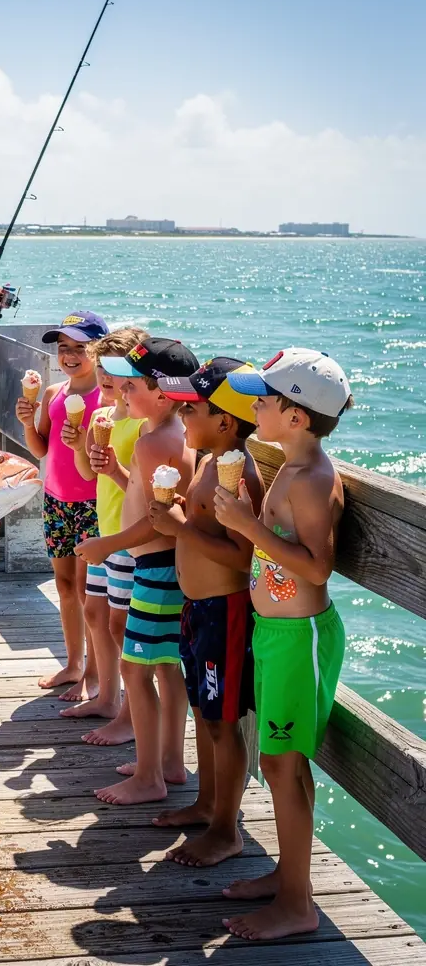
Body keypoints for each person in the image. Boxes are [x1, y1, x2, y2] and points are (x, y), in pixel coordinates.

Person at [214, 349, 351, 941]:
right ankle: (287, 876)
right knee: (277, 764)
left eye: (265, 399)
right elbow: (280, 549)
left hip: (301, 638)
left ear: (297, 417)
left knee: (285, 766)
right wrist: (252, 520)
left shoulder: (315, 480)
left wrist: (250, 529)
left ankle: (298, 904)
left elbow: (318, 568)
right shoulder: (287, 467)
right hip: (275, 632)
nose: (255, 406)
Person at [148, 358, 265, 867]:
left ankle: (227, 829)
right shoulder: (212, 461)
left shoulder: (237, 472)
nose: (182, 415)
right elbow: (205, 526)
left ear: (225, 422)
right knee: (204, 712)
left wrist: (179, 529)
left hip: (225, 611)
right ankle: (206, 802)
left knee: (223, 722)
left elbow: (243, 557)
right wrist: (182, 510)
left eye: (192, 408)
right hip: (198, 608)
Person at [76, 338, 198, 805]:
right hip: (170, 567)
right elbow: (154, 503)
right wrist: (116, 474)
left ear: (163, 394)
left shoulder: (151, 441)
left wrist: (106, 544)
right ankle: (170, 761)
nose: (123, 391)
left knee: (136, 666)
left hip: (153, 567)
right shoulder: (176, 436)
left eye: (133, 384)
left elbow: (151, 521)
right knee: (167, 667)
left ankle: (150, 777)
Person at [16, 311, 109, 702]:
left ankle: (94, 672)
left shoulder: (106, 398)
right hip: (56, 500)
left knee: (90, 593)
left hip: (92, 504)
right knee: (65, 586)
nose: (70, 356)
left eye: (80, 348)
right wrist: (26, 420)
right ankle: (73, 662)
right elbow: (41, 448)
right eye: (63, 348)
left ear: (99, 351)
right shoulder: (54, 394)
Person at [60, 326, 148, 732]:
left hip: (128, 538)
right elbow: (86, 474)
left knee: (122, 623)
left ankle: (131, 712)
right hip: (105, 530)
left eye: (118, 370)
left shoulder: (142, 423)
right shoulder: (99, 415)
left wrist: (113, 468)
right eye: (104, 368)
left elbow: (143, 489)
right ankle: (107, 699)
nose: (107, 378)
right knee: (95, 611)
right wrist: (79, 446)